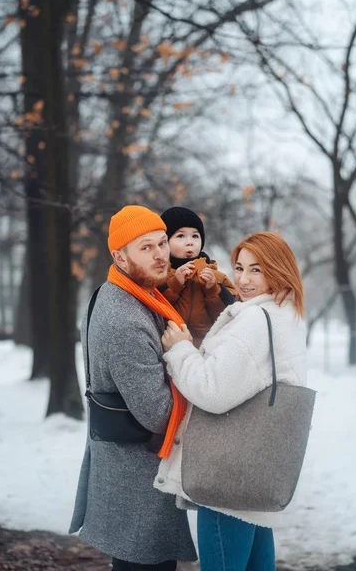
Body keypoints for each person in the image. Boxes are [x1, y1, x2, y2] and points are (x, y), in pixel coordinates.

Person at [154, 231, 307, 571]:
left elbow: (213, 390)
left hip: (229, 478)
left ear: (278, 271)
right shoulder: (285, 316)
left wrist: (180, 349)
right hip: (258, 472)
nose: (244, 279)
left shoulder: (254, 321)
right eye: (239, 268)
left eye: (257, 269)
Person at [69, 205, 197, 571]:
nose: (160, 254)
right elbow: (157, 414)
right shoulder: (125, 317)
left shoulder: (124, 295)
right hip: (137, 477)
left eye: (161, 243)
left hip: (127, 469)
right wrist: (182, 353)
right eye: (146, 247)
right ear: (119, 256)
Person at [159, 206, 236, 347]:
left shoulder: (216, 276)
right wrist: (175, 284)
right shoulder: (160, 274)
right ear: (165, 242)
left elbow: (229, 314)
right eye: (180, 236)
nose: (190, 242)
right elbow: (155, 309)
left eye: (195, 236)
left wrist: (213, 290)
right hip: (168, 346)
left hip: (206, 348)